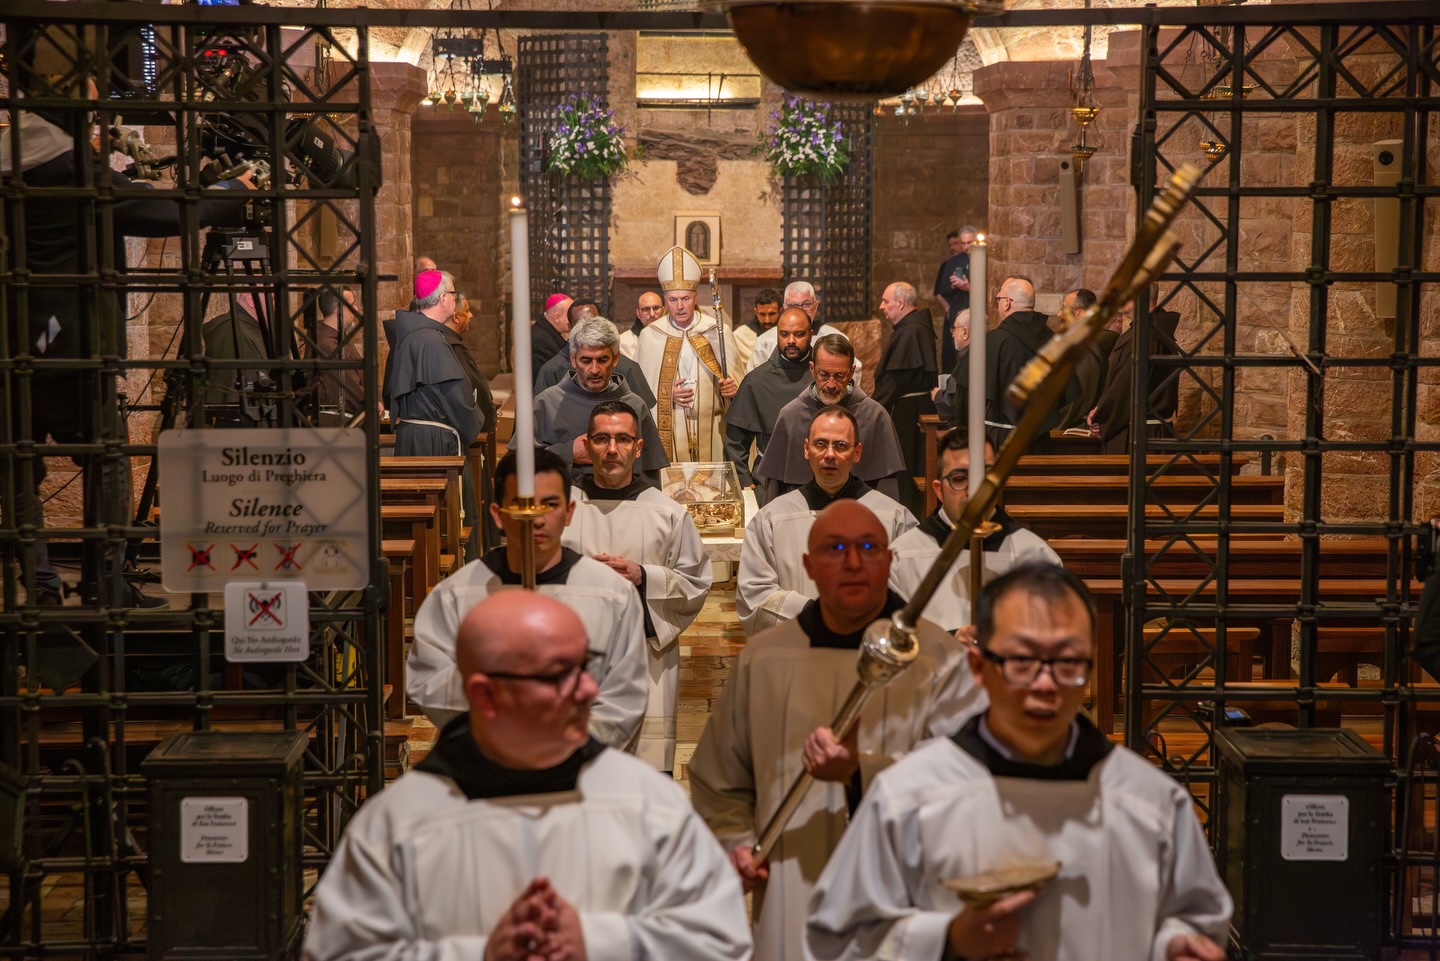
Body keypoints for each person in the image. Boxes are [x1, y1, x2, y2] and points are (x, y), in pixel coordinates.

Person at [807, 563, 1231, 961]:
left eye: (1067, 662)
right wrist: (949, 939)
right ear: (978, 666)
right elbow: (835, 939)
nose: (1045, 684)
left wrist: (1175, 945)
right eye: (1022, 661)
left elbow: (1195, 918)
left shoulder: (1150, 800)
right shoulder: (909, 795)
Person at [304, 591, 752, 961]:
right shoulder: (397, 824)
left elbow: (721, 940)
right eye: (560, 674)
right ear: (486, 695)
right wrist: (481, 955)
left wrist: (597, 944)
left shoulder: (649, 801)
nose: (589, 690)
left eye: (586, 665)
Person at [3, 59, 252, 609]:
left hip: (16, 340)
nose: (99, 120)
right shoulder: (73, 168)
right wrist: (234, 187)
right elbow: (164, 213)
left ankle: (39, 586)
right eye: (92, 111)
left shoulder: (15, 158)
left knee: (20, 465)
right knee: (109, 459)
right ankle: (105, 583)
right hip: (73, 342)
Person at [690, 500, 984, 961]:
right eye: (834, 548)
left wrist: (860, 770)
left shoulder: (939, 658)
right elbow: (719, 778)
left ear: (889, 560)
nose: (853, 562)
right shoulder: (763, 659)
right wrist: (737, 844)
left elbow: (970, 780)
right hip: (790, 881)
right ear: (808, 566)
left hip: (904, 889)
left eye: (868, 547)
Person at [406, 448, 648, 748]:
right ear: (498, 515)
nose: (537, 519)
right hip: (488, 759)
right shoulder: (456, 594)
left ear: (569, 512)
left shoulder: (611, 593)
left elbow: (624, 696)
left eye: (550, 505)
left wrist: (563, 747)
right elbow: (428, 682)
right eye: (522, 505)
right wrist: (501, 679)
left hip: (578, 762)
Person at [563, 400, 711, 773]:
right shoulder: (563, 510)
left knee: (645, 773)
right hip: (574, 662)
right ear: (587, 445)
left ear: (639, 447)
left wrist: (644, 576)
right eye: (601, 439)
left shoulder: (668, 512)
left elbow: (695, 583)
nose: (612, 449)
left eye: (623, 439)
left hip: (647, 660)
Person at [737, 406, 915, 636]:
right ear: (806, 449)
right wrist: (815, 617)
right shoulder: (770, 519)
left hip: (869, 647)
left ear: (857, 452)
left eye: (840, 445)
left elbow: (914, 591)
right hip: (801, 648)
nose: (829, 454)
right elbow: (755, 594)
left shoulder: (895, 518)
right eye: (820, 444)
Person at [888, 430, 1060, 632]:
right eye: (960, 478)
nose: (975, 490)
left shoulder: (1036, 556)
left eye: (985, 476)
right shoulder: (902, 556)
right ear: (939, 490)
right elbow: (892, 637)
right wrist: (949, 642)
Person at [755, 334, 908, 504]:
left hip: (860, 514)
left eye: (840, 376)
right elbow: (774, 494)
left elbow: (887, 497)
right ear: (812, 369)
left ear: (851, 372)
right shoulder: (790, 416)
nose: (831, 384)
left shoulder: (875, 417)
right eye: (824, 374)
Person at [521, 316, 669, 483]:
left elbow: (649, 475)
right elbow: (518, 461)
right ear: (573, 359)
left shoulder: (635, 405)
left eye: (602, 360)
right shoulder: (547, 403)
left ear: (616, 359)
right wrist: (568, 453)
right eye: (585, 360)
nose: (594, 369)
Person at [635, 245, 740, 462]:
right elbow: (639, 391)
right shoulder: (650, 335)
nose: (680, 306)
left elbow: (737, 381)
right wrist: (665, 394)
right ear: (665, 300)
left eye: (685, 298)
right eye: (673, 300)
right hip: (670, 429)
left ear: (695, 297)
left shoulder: (716, 331)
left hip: (712, 429)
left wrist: (732, 388)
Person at [387, 270, 483, 458]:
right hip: (433, 442)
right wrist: (475, 421)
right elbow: (455, 395)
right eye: (454, 294)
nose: (456, 299)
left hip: (414, 437)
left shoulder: (415, 334)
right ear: (443, 299)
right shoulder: (431, 341)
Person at [724, 307, 815, 494]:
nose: (791, 341)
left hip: (818, 477)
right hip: (770, 479)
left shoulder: (824, 377)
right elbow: (735, 440)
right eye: (784, 334)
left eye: (799, 334)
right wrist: (742, 478)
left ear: (811, 334)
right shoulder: (756, 381)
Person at [985, 275, 1078, 452]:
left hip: (999, 441)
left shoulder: (993, 341)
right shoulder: (1054, 342)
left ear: (1007, 303)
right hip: (1040, 440)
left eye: (999, 299)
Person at [1092, 294, 1183, 454]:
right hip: (1142, 430)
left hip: (1137, 437)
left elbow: (1126, 388)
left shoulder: (1145, 336)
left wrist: (1101, 418)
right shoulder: (1152, 330)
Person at [534, 299, 656, 408]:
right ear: (570, 327)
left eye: (593, 322)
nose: (594, 369)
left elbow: (641, 411)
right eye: (580, 324)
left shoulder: (627, 367)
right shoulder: (551, 371)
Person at [744, 281, 855, 375]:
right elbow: (755, 378)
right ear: (784, 307)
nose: (800, 310)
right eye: (793, 305)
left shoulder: (837, 338)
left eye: (806, 304)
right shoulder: (765, 340)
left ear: (815, 306)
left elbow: (850, 374)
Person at [201, 290, 272, 420]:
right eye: (272, 299)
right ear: (251, 299)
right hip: (242, 424)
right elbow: (235, 399)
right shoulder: (232, 331)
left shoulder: (253, 329)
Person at [1054, 287, 1108, 430]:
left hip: (1071, 432)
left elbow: (1077, 399)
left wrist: (1051, 425)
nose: (1059, 314)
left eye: (1064, 308)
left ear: (1078, 313)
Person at [313, 287, 366, 418]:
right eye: (352, 304)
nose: (356, 309)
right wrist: (372, 402)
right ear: (339, 309)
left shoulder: (340, 337)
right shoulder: (326, 345)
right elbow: (350, 391)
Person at [932, 225, 977, 373]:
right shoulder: (953, 262)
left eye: (969, 243)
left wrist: (968, 287)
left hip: (975, 311)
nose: (966, 247)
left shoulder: (983, 259)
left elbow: (987, 288)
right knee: (954, 352)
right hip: (957, 310)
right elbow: (941, 289)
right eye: (963, 243)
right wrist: (954, 284)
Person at [932, 307, 971, 425]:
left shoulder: (968, 360)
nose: (953, 335)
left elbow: (955, 404)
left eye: (954, 329)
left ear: (965, 332)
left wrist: (938, 395)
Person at [734, 288, 782, 372]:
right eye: (762, 314)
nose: (767, 320)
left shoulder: (787, 334)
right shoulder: (740, 336)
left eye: (772, 314)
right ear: (756, 312)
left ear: (780, 311)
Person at [531, 291, 572, 373]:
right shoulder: (540, 340)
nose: (574, 319)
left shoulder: (545, 330)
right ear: (557, 318)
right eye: (570, 315)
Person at [620, 290, 665, 359]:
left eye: (656, 308)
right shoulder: (624, 342)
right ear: (638, 313)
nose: (652, 314)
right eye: (646, 309)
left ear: (663, 311)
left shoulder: (674, 337)